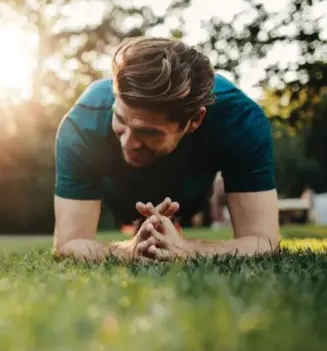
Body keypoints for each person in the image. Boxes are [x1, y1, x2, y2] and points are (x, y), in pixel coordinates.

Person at [53, 36, 279, 262]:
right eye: (120, 119)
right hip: (120, 192)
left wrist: (185, 249)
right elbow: (69, 244)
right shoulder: (83, 123)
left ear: (195, 120)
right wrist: (130, 250)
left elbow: (264, 241)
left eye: (148, 132)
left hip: (190, 192)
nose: (128, 143)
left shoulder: (240, 120)